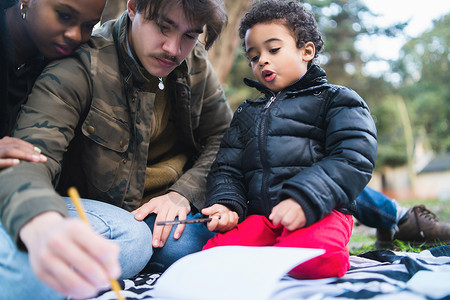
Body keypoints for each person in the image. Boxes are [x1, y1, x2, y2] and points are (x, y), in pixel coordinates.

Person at [0, 0, 231, 299]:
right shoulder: (81, 64)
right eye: (163, 27)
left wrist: (183, 192)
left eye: (189, 35)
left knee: (197, 242)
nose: (173, 49)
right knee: (132, 241)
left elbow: (224, 138)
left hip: (163, 215)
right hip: (103, 216)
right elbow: (30, 154)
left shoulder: (195, 62)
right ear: (133, 7)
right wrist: (40, 220)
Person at [201, 0, 377, 279]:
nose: (262, 61)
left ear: (306, 51)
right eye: (254, 56)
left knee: (312, 260)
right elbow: (227, 168)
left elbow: (353, 158)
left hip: (321, 211)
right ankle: (270, 258)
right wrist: (226, 203)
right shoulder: (247, 113)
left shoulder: (337, 100)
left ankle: (284, 257)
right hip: (263, 219)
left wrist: (304, 198)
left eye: (273, 49)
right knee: (213, 259)